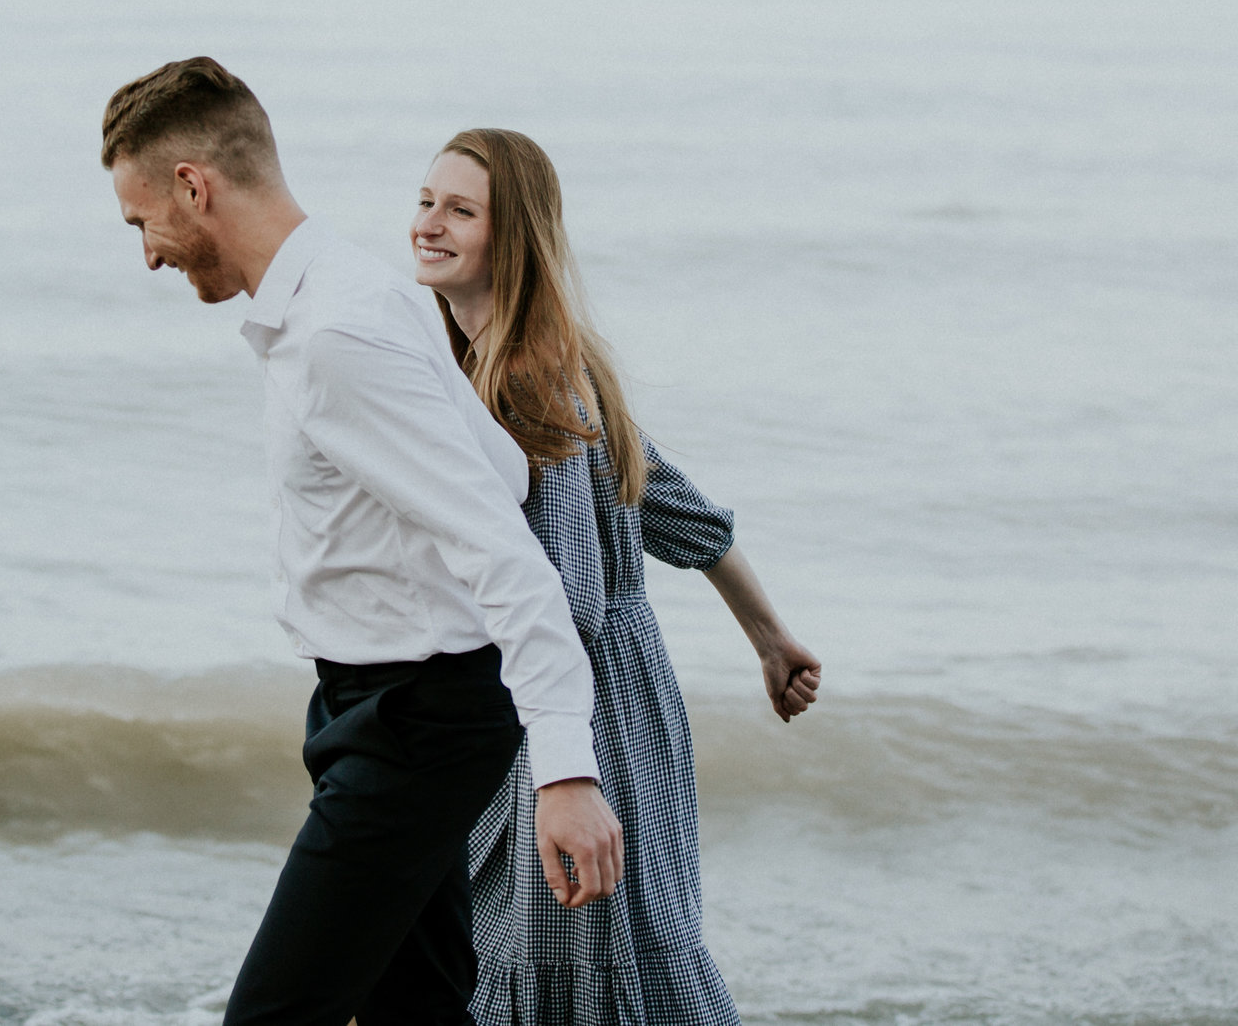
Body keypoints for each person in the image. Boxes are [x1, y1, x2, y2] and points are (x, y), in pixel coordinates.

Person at [99, 58, 628, 1026]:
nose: (148, 253)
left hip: (415, 722)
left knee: (273, 1013)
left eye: (143, 222)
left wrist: (566, 769)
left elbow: (501, 548)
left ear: (193, 185)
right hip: (374, 704)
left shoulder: (338, 331)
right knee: (414, 1009)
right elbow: (502, 476)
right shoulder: (352, 293)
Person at [411, 128, 823, 1024]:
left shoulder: (524, 381)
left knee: (566, 962)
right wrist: (770, 636)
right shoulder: (545, 358)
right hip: (620, 699)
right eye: (425, 201)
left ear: (509, 236)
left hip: (577, 711)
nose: (429, 225)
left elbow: (571, 600)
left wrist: (562, 758)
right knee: (616, 953)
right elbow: (683, 513)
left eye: (460, 210)